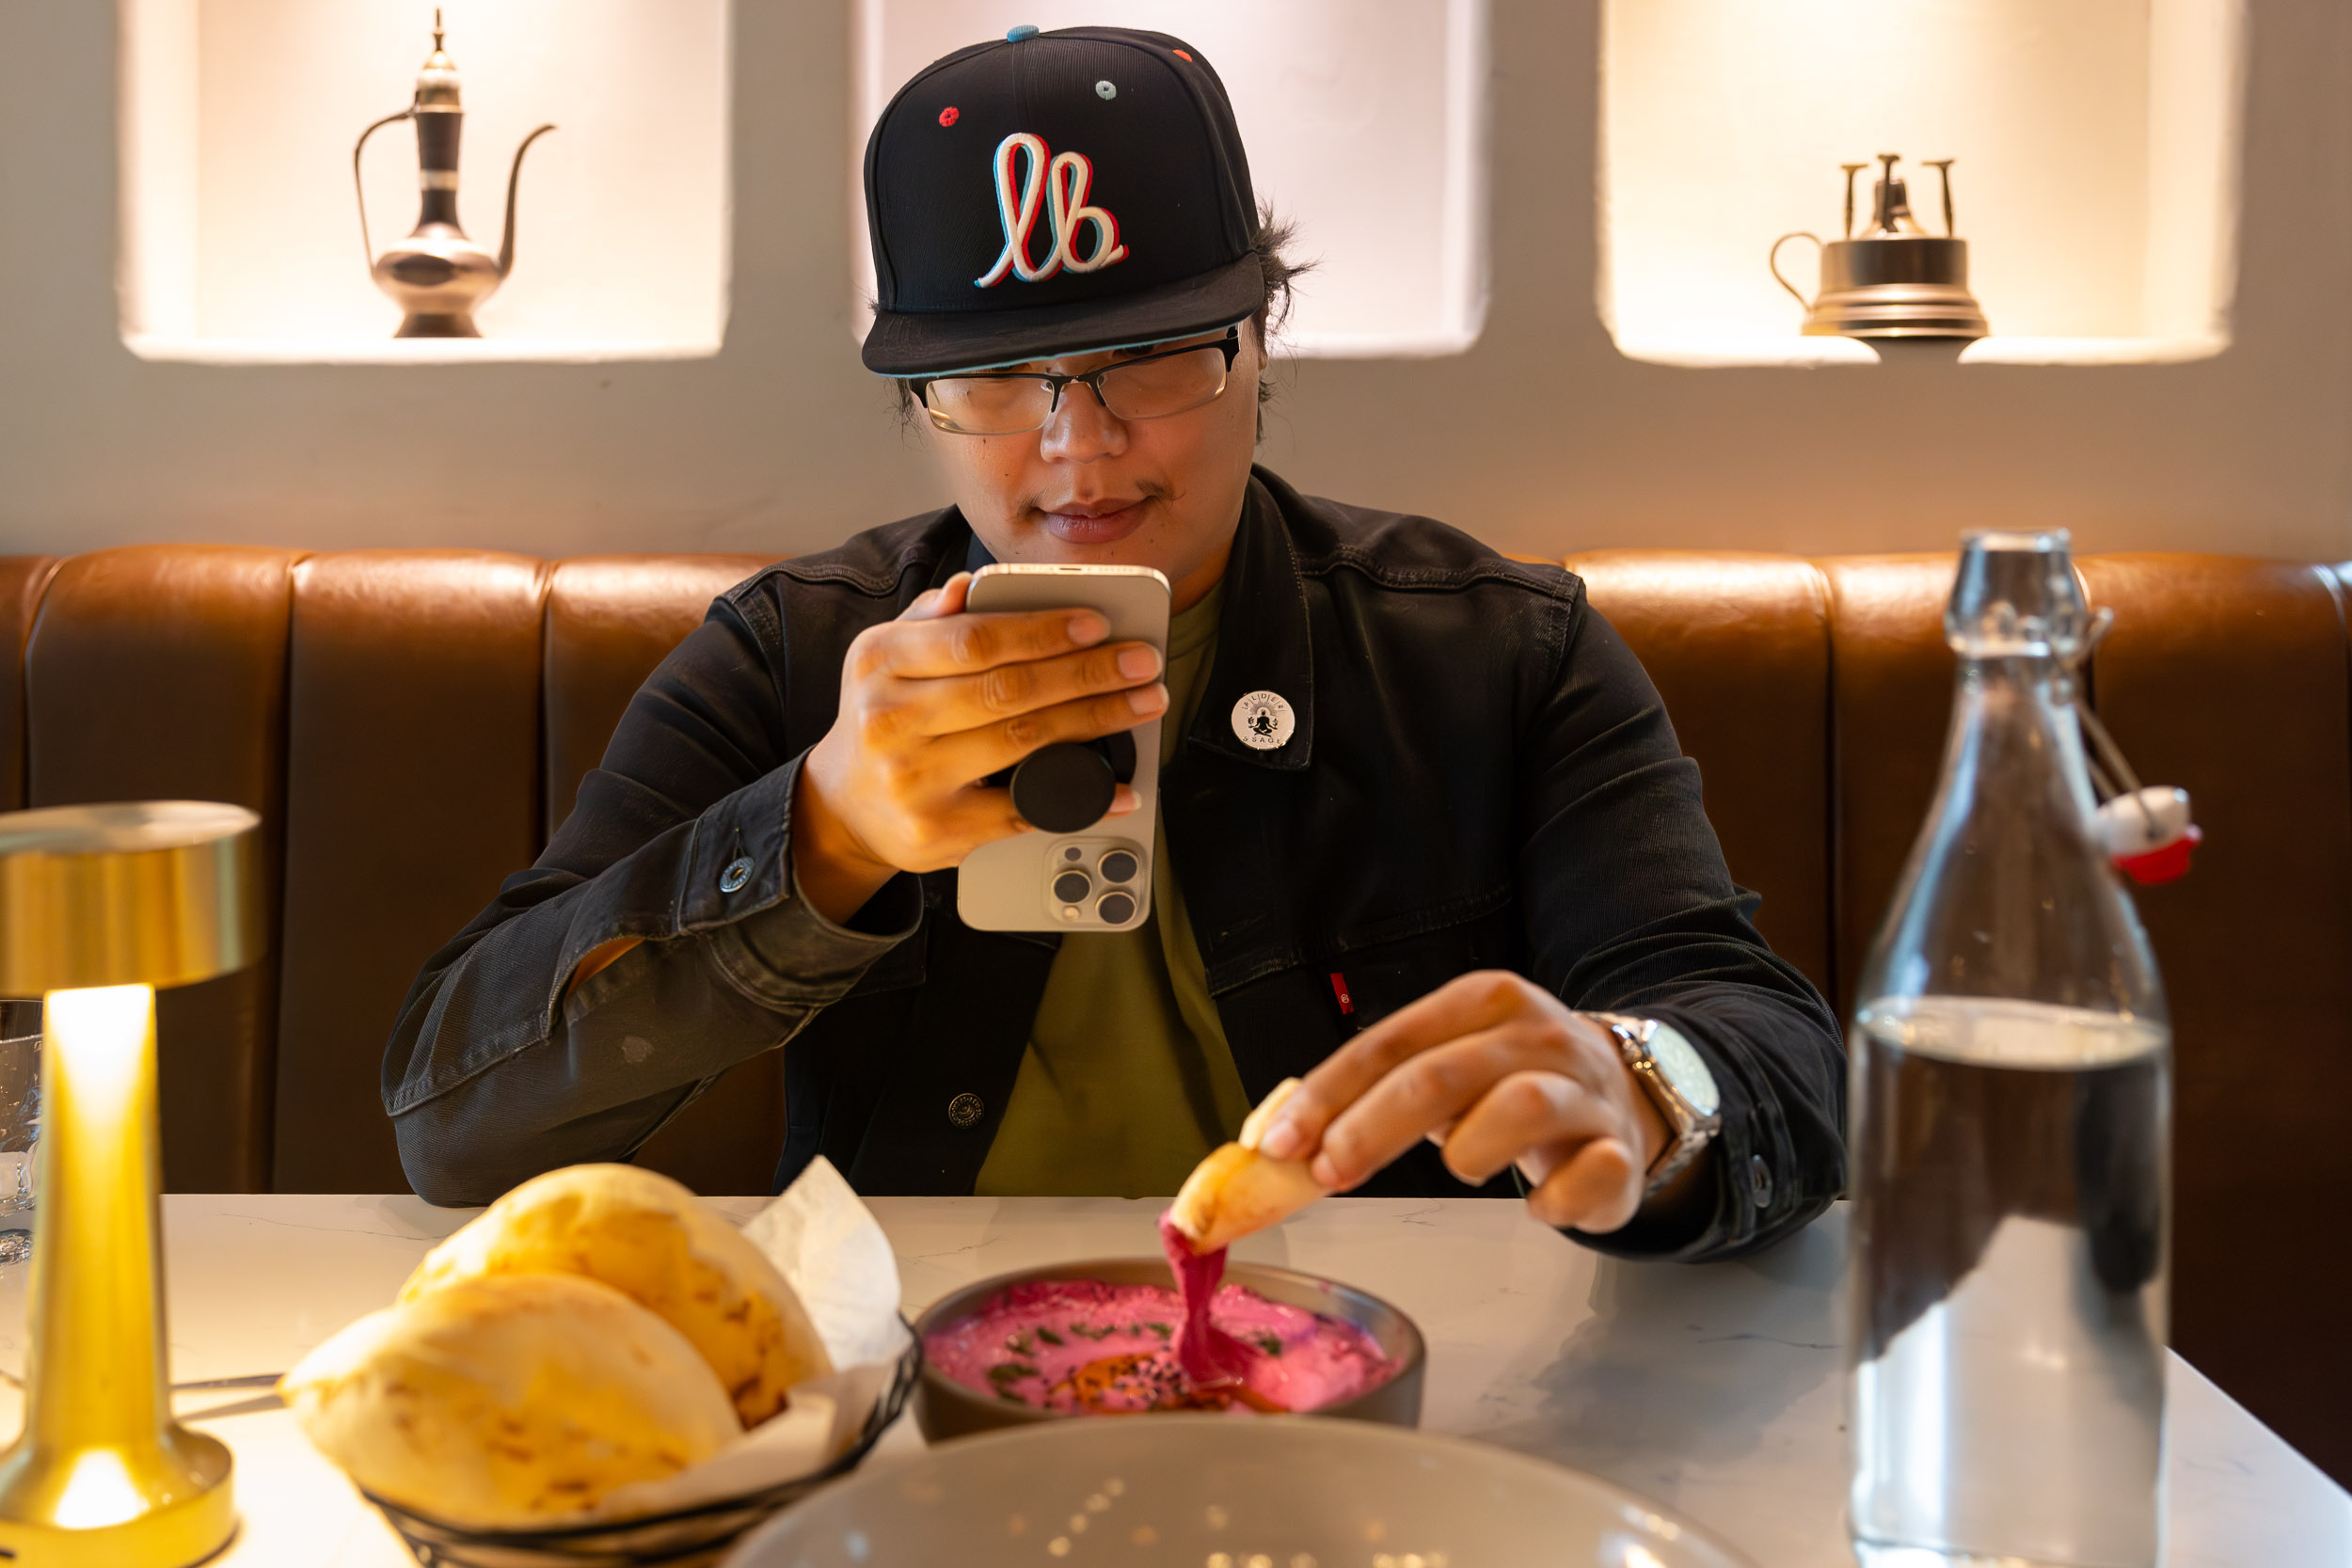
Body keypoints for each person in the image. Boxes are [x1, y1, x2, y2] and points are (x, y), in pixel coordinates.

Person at [385, 25, 1844, 1261]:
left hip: (1386, 1372)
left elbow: (1766, 1045)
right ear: (919, 403)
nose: (1078, 446)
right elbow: (454, 1119)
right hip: (923, 1394)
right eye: (996, 378)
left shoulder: (1498, 655)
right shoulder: (795, 661)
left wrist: (1643, 1085)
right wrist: (823, 830)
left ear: (1261, 343)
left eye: (1151, 355)